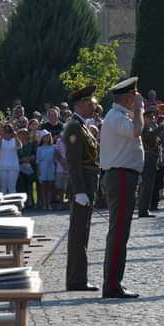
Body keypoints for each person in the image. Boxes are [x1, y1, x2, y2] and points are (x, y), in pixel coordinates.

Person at [98, 77, 145, 299]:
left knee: (119, 231)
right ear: (128, 97)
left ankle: (114, 281)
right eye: (134, 96)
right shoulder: (117, 117)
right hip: (121, 176)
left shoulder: (118, 115)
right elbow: (137, 130)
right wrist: (140, 110)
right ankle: (112, 284)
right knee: (118, 233)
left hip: (123, 176)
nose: (137, 99)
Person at [63, 85, 101, 291]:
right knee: (78, 233)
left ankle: (78, 278)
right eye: (89, 103)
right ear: (79, 104)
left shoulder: (82, 126)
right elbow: (73, 161)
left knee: (83, 232)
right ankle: (76, 280)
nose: (93, 106)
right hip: (82, 187)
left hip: (87, 184)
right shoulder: (74, 127)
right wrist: (79, 191)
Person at [138, 102, 161, 218]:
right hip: (147, 159)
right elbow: (149, 136)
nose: (152, 119)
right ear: (144, 118)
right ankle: (142, 210)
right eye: (149, 117)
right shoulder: (143, 128)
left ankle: (144, 208)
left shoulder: (151, 127)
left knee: (149, 186)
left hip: (152, 159)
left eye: (153, 117)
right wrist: (161, 126)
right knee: (146, 185)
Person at [35, 132, 57, 210]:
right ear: (42, 138)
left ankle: (49, 203)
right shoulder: (39, 148)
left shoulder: (54, 147)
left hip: (51, 166)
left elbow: (55, 158)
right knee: (43, 186)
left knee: (50, 186)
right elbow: (37, 160)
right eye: (45, 137)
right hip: (42, 167)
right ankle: (44, 204)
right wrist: (38, 171)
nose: (47, 138)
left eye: (48, 137)